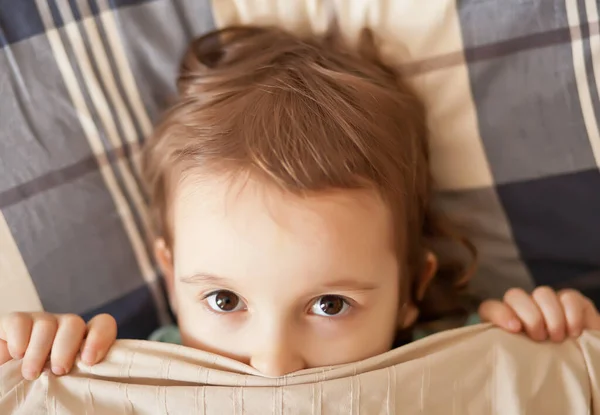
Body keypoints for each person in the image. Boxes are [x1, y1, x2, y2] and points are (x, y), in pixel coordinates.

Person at [1, 26, 599, 381]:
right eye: (224, 299)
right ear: (169, 272)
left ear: (412, 290)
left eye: (331, 304)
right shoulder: (129, 365)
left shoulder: (466, 354)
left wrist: (569, 341)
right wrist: (32, 362)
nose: (275, 363)